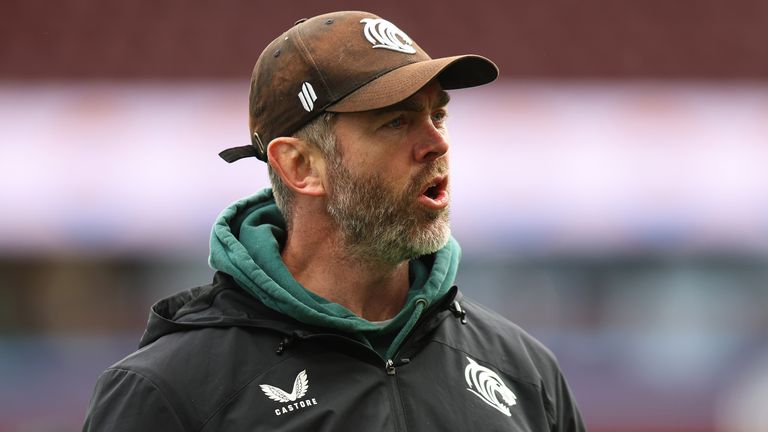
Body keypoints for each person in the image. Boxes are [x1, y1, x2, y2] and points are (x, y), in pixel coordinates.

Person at [82, 11, 585, 431]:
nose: (437, 143)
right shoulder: (169, 391)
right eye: (396, 121)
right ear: (301, 166)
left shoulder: (525, 371)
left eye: (439, 115)